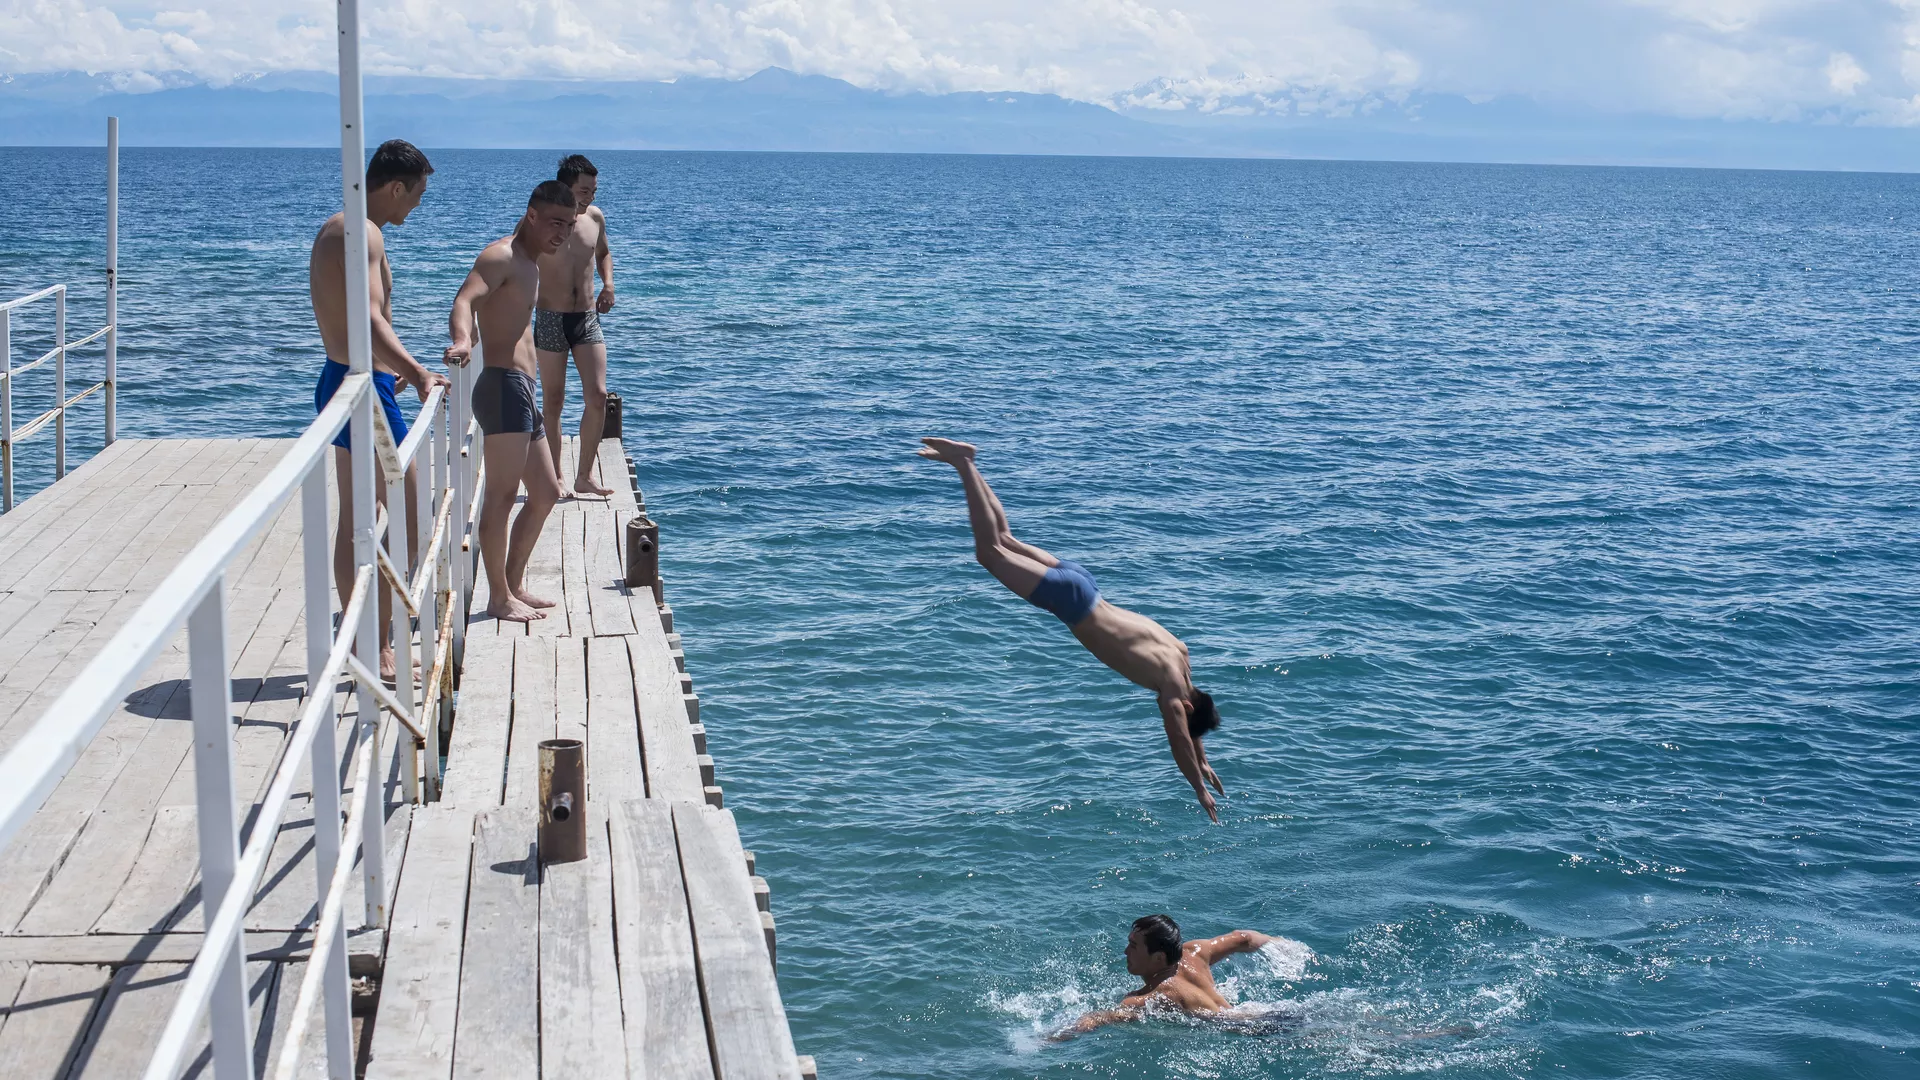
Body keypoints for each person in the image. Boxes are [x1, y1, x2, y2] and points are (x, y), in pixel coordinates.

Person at [917, 438, 1225, 820]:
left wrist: (1203, 760)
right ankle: (964, 461)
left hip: (1085, 584)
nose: (1172, 712)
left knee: (1005, 539)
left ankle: (964, 463)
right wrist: (1198, 787)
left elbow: (1188, 728)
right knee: (989, 553)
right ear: (1187, 707)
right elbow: (1179, 737)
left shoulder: (1181, 658)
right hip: (1070, 602)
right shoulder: (1171, 695)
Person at [309, 138, 450, 678]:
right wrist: (418, 371)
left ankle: (362, 637)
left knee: (359, 517)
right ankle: (376, 640)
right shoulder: (363, 233)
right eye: (416, 195)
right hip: (364, 389)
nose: (417, 205)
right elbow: (369, 320)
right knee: (412, 513)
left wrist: (397, 370)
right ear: (395, 188)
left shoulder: (338, 226)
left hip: (344, 378)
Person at [443, 181, 578, 622]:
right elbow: (465, 300)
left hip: (522, 390)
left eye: (569, 224)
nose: (562, 233)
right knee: (501, 497)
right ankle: (498, 598)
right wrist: (463, 340)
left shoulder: (531, 263)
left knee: (546, 492)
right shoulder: (501, 256)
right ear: (531, 215)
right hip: (502, 386)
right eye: (555, 223)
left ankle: (514, 583)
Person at [534, 154, 617, 499]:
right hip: (550, 318)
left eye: (594, 191)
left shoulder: (595, 217)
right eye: (584, 191)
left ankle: (585, 476)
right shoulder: (540, 221)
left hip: (586, 318)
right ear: (565, 188)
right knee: (553, 401)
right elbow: (516, 258)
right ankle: (555, 477)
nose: (590, 197)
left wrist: (608, 284)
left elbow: (603, 253)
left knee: (598, 396)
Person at [1051, 915, 1275, 1039]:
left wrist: (1052, 1038)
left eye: (1133, 946)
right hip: (1263, 1016)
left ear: (1158, 957)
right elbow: (1242, 938)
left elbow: (1101, 1018)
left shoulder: (1150, 997)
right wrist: (1282, 945)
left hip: (1251, 1032)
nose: (1126, 952)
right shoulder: (1194, 953)